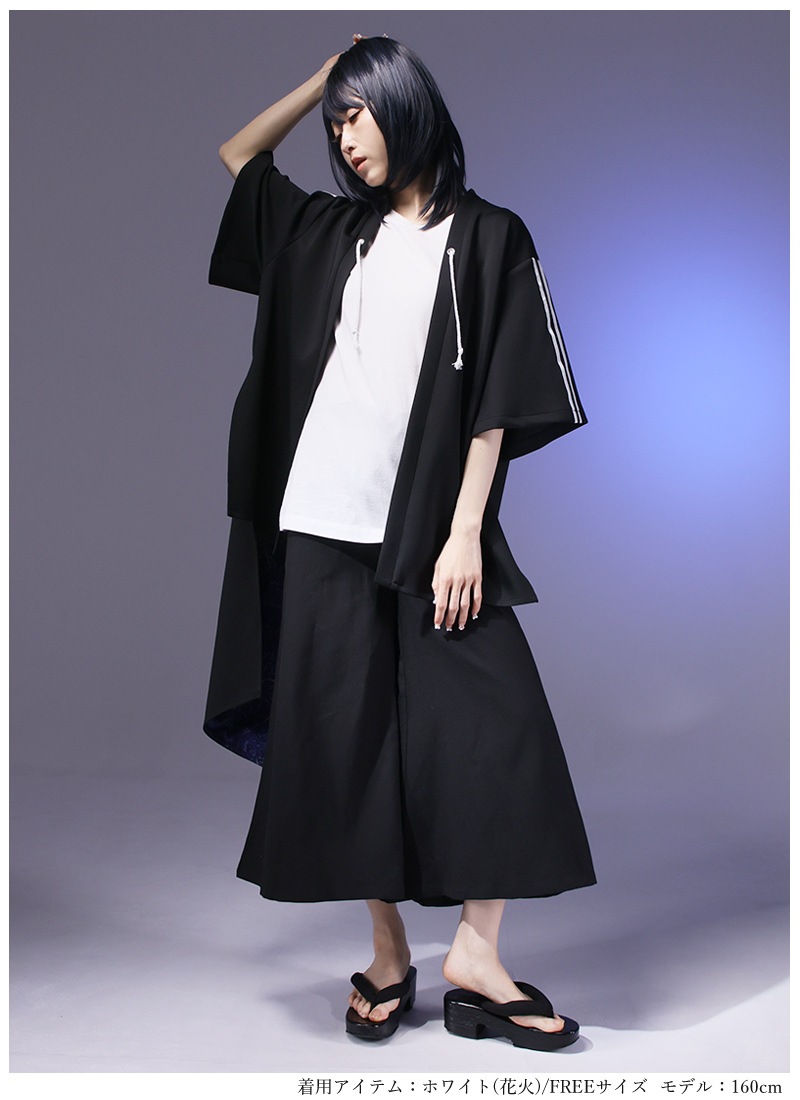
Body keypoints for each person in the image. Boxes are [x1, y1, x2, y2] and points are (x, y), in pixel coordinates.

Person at [204, 35, 596, 1052]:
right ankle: (387, 954)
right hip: (320, 519)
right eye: (335, 122)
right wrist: (319, 77)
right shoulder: (332, 230)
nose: (344, 137)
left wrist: (466, 531)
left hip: (429, 532)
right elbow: (239, 157)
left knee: (497, 727)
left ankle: (474, 953)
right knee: (343, 741)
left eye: (357, 113)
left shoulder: (490, 236)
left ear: (404, 103)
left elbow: (496, 399)